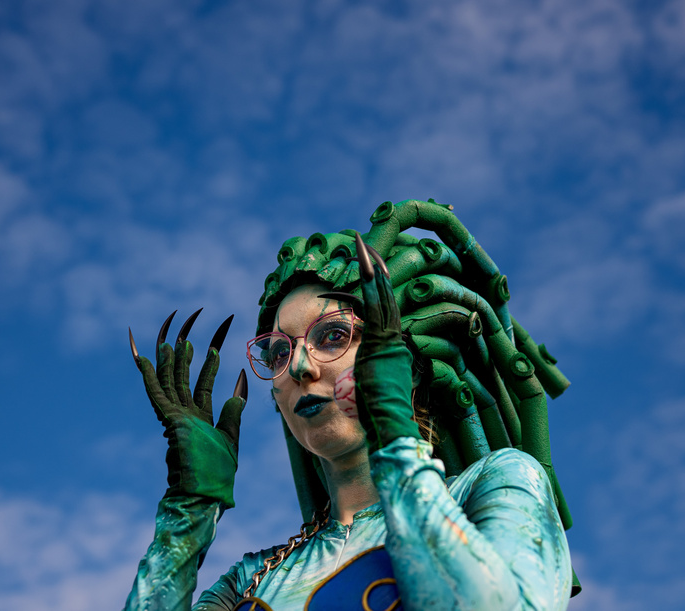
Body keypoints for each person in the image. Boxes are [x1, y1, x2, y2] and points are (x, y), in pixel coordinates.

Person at [125, 199, 578, 610]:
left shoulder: (498, 483)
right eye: (279, 352)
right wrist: (188, 515)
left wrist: (397, 445)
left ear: (408, 365)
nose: (300, 365)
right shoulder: (251, 581)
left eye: (334, 336)